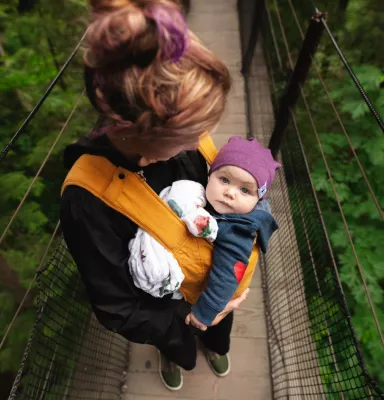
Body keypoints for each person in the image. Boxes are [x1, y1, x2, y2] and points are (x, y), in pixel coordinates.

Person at [60, 0, 248, 392]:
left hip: (214, 279)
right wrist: (192, 317)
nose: (199, 143)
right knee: (177, 342)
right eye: (186, 137)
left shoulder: (187, 146)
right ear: (144, 140)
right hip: (166, 311)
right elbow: (117, 308)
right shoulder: (88, 200)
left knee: (219, 330)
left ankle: (215, 345)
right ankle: (176, 354)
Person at [128, 136, 280, 332]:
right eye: (224, 179)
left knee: (213, 331)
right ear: (210, 176)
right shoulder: (220, 207)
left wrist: (205, 313)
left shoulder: (238, 230)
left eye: (244, 190)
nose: (230, 193)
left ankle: (216, 349)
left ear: (257, 200)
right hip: (205, 286)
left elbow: (228, 275)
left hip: (215, 298)